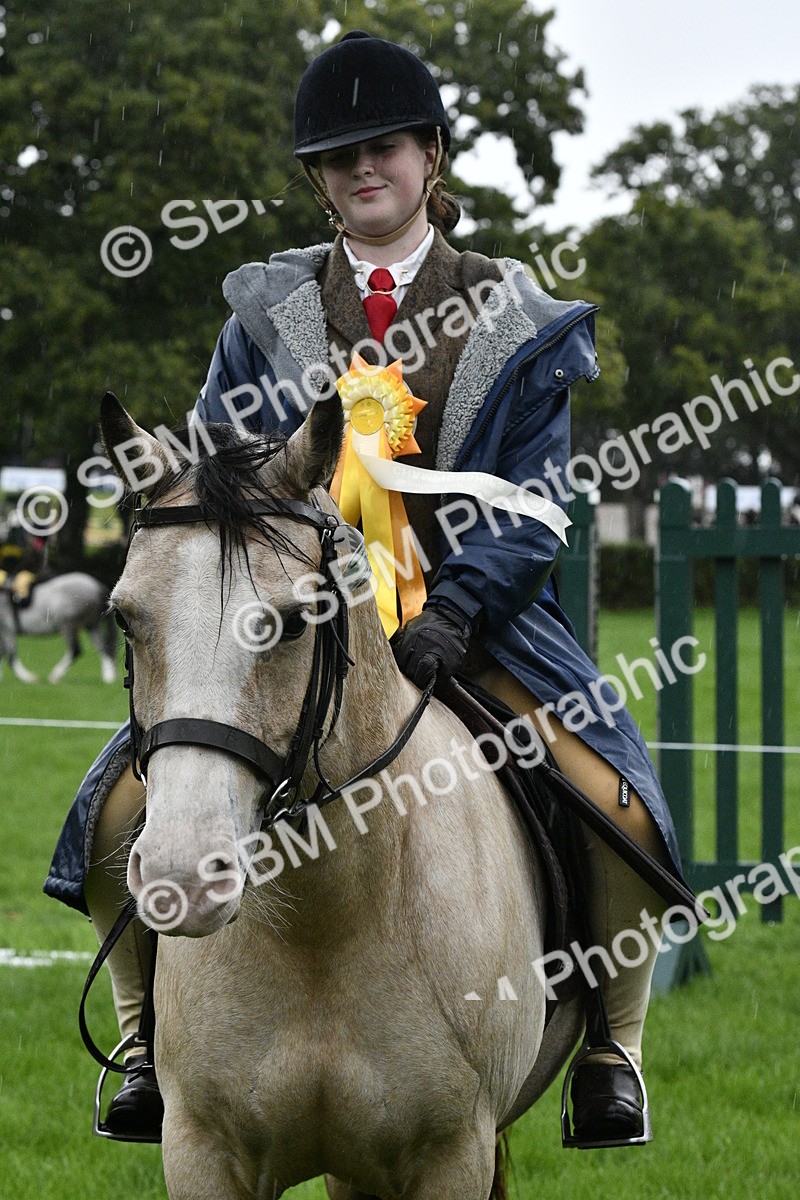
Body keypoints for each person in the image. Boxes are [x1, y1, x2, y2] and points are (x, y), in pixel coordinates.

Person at [45, 30, 688, 1147]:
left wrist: (453, 610)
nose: (361, 170)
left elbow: (535, 505)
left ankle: (609, 1051)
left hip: (470, 627)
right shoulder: (262, 313)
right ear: (316, 179)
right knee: (109, 810)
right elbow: (222, 472)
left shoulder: (516, 319)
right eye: (337, 157)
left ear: (430, 156)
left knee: (615, 799)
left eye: (381, 146)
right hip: (286, 628)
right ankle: (146, 1043)